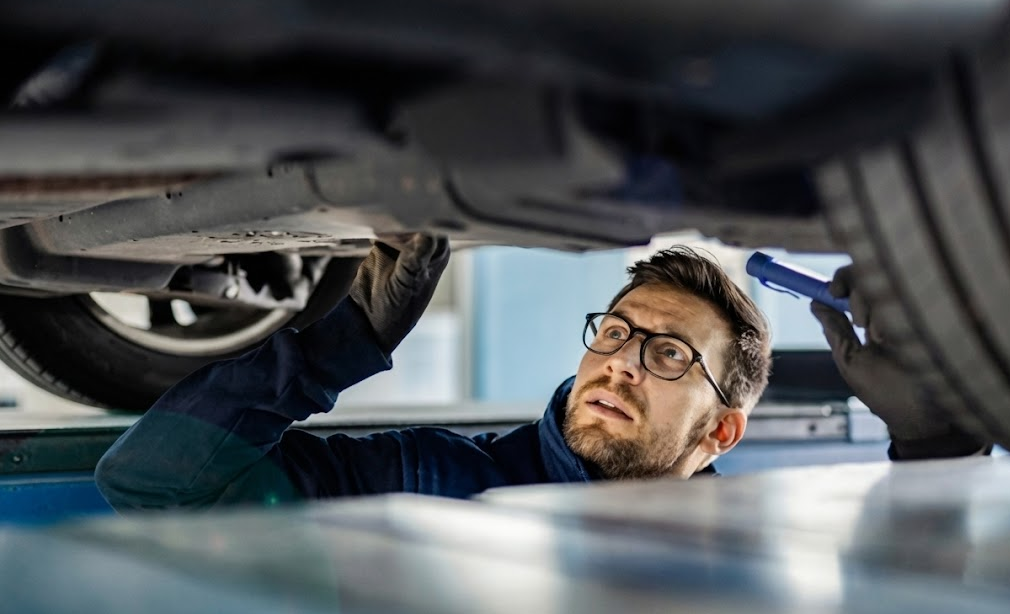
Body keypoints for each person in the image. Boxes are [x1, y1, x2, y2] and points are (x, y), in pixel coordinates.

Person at [95, 236, 990, 512]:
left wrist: (936, 442)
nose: (620, 364)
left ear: (723, 429)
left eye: (669, 354)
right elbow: (149, 488)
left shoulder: (754, 545)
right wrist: (346, 336)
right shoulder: (427, 477)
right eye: (617, 332)